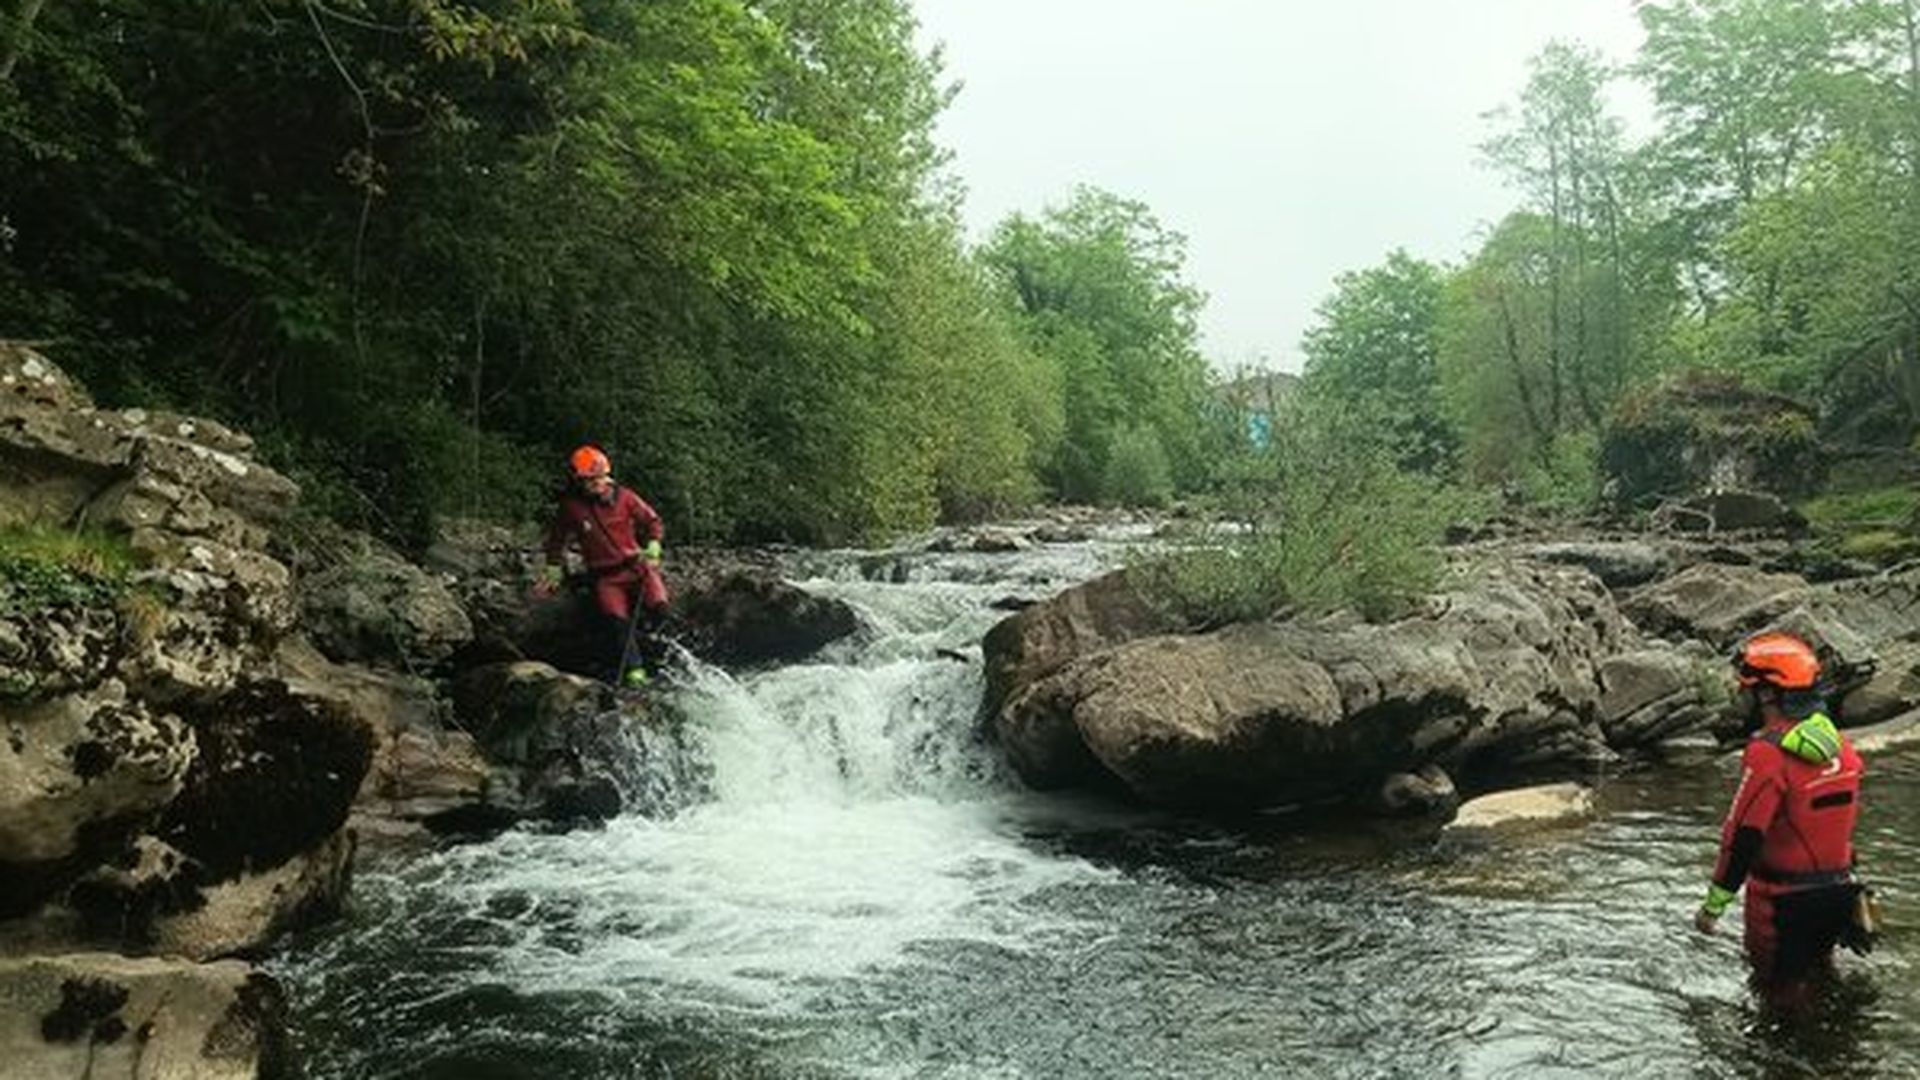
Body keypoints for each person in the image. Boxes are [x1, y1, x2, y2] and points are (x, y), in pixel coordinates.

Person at [1694, 631, 1867, 1009]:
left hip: (1782, 905)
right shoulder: (1842, 747)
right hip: (1840, 894)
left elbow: (1743, 835)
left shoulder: (1767, 755)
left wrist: (1713, 907)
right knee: (1823, 982)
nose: (1745, 698)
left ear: (1769, 694)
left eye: (1749, 690)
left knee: (1777, 1001)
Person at [535, 445, 669, 687]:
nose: (599, 484)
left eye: (601, 478)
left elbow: (653, 521)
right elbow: (557, 539)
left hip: (638, 568)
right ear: (578, 480)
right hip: (605, 577)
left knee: (660, 609)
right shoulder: (571, 508)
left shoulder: (625, 497)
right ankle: (635, 671)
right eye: (592, 480)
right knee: (618, 625)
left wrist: (654, 545)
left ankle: (664, 661)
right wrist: (553, 568)